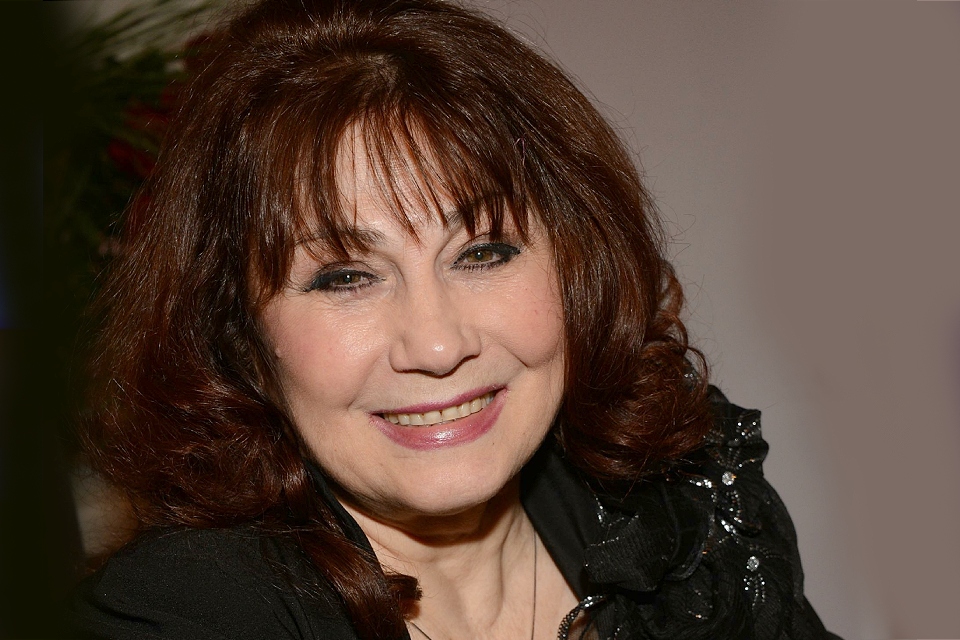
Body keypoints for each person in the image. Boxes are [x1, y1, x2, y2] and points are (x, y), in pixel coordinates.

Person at [70, 0, 837, 638]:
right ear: (241, 334)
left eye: (482, 253)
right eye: (346, 277)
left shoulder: (688, 511)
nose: (437, 345)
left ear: (576, 264)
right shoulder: (187, 612)